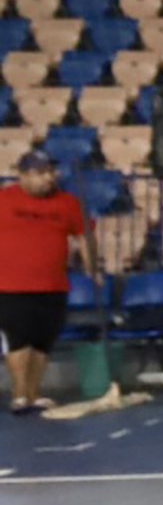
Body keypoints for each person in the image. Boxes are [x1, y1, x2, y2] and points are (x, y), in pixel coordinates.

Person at [1, 150, 92, 415]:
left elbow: (83, 236)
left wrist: (91, 268)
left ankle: (34, 392)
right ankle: (19, 394)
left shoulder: (68, 203)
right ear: (23, 175)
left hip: (52, 284)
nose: (48, 178)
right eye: (40, 173)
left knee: (42, 341)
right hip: (10, 284)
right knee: (18, 339)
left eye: (50, 172)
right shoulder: (4, 199)